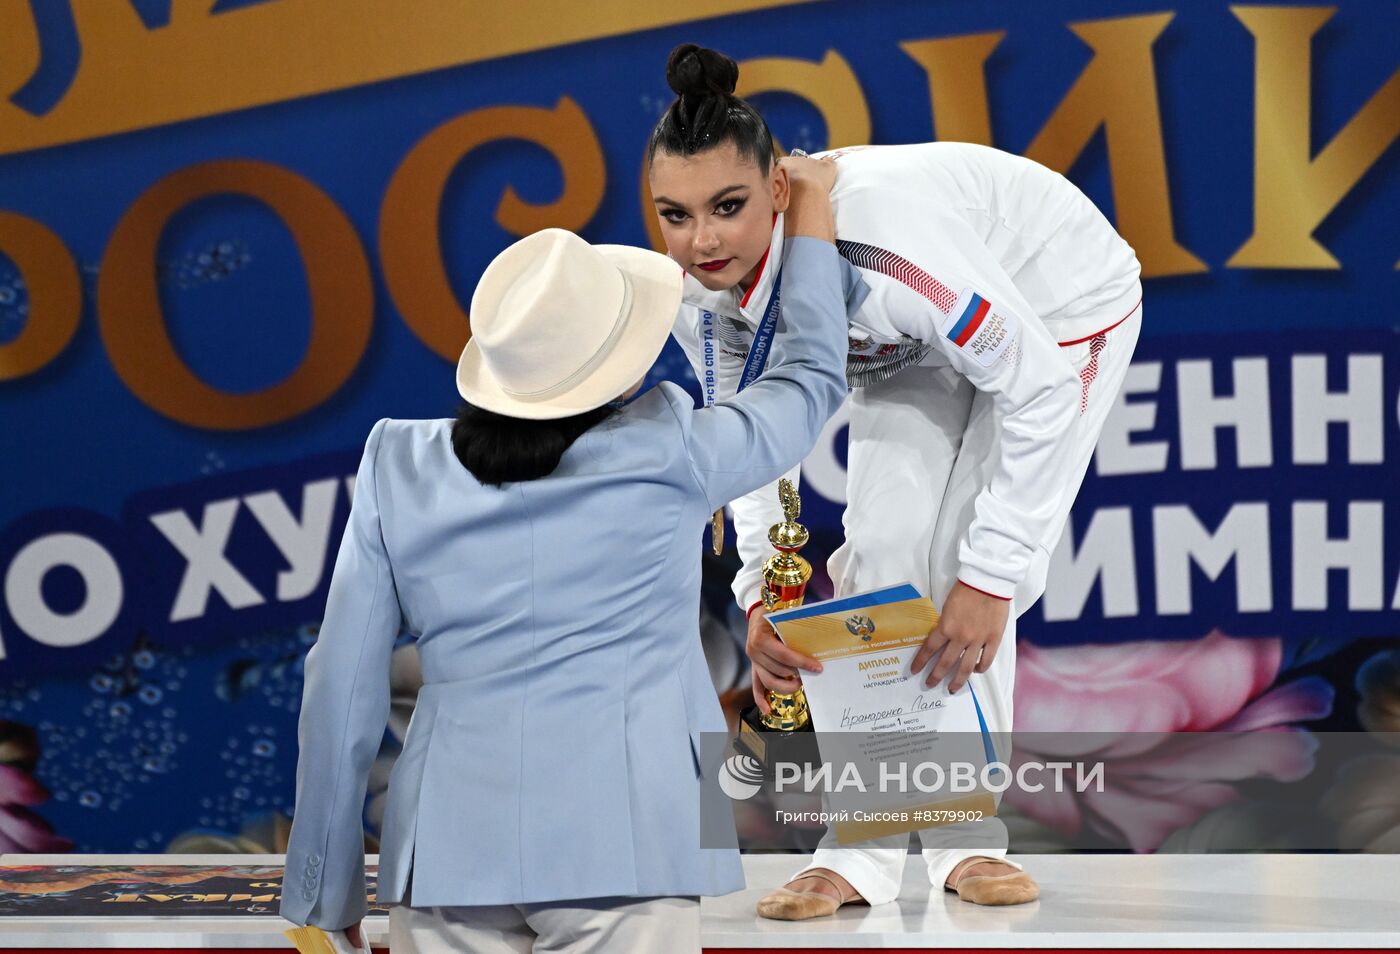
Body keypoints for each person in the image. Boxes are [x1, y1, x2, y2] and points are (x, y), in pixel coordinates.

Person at [279, 182, 851, 952]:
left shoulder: (397, 464)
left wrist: (322, 882)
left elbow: (340, 684)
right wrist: (810, 222)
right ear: (619, 368)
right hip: (633, 850)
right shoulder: (673, 447)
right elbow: (809, 380)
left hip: (446, 855)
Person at [648, 43, 1143, 918]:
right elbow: (749, 441)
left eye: (728, 206)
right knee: (880, 556)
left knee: (961, 571)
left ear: (778, 189)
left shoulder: (882, 254)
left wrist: (994, 576)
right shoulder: (698, 298)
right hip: (916, 341)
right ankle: (861, 854)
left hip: (1059, 307)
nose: (703, 240)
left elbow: (1037, 387)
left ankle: (968, 839)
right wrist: (764, 596)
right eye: (675, 216)